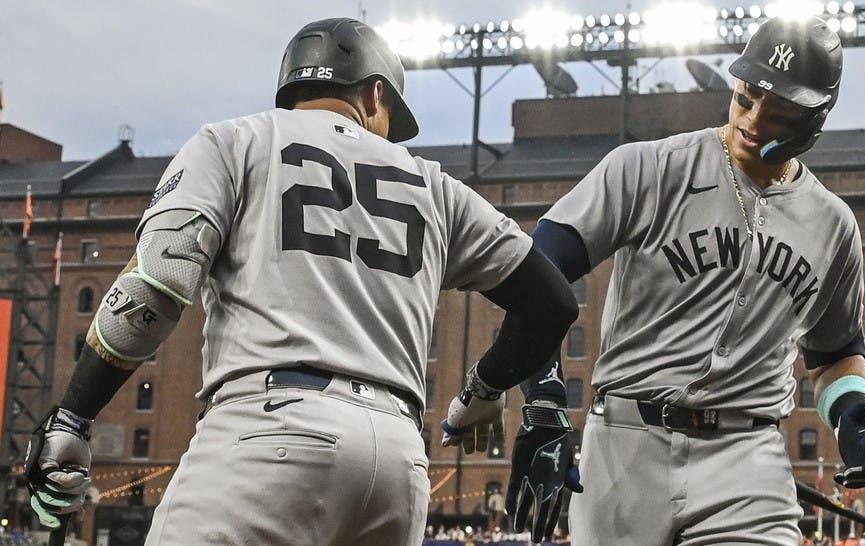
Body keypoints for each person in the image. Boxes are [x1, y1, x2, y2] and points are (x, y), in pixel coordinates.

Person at [23, 18, 577, 546]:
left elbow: (159, 281)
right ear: (376, 95)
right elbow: (551, 302)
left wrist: (74, 414)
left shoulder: (235, 141)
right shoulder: (434, 185)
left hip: (272, 433)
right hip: (398, 463)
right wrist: (480, 393)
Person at [449, 16, 865, 544]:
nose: (752, 120)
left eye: (778, 114)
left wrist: (856, 413)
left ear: (814, 120)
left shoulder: (832, 224)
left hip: (747, 457)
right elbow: (536, 272)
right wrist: (542, 399)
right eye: (746, 98)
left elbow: (836, 349)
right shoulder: (650, 169)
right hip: (627, 443)